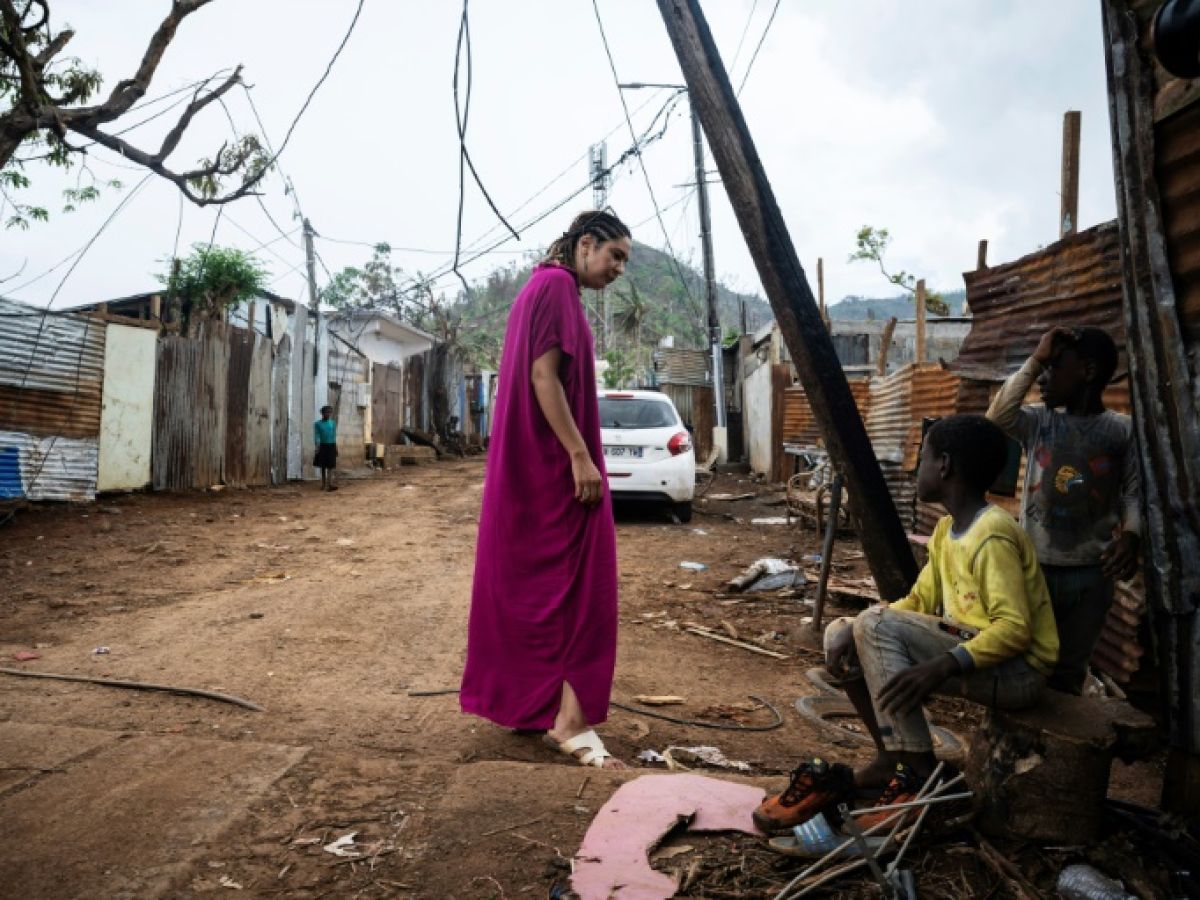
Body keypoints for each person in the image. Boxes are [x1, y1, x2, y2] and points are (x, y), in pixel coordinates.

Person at [754, 415, 1058, 833]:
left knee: (875, 624)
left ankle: (917, 776)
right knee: (847, 628)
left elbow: (1015, 629)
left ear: (945, 465)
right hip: (979, 656)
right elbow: (918, 602)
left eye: (924, 458)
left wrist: (942, 664)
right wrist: (857, 627)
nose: (917, 469)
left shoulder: (992, 535)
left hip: (1019, 671)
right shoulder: (948, 530)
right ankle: (889, 759)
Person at [460, 210, 632, 769]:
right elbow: (543, 377)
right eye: (615, 256)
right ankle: (568, 721)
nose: (619, 269)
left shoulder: (541, 285)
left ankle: (531, 706)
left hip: (530, 466)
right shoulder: (557, 287)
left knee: (531, 588)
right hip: (555, 469)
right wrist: (580, 456)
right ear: (586, 244)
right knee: (585, 590)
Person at [987, 326, 1141, 694]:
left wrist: (1134, 535)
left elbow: (1135, 491)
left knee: (1069, 671)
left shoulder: (1121, 431)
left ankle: (1053, 750)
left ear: (1087, 372)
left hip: (1091, 574)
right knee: (1018, 658)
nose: (1044, 378)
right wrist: (1036, 359)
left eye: (1055, 367)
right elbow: (997, 416)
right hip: (1033, 567)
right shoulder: (1040, 422)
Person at [313, 405, 338, 492]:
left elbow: (334, 435)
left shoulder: (333, 423)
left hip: (331, 445)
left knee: (330, 466)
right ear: (322, 414)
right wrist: (317, 446)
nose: (328, 414)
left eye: (329, 412)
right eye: (326, 412)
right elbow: (317, 435)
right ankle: (323, 484)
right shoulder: (317, 424)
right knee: (323, 466)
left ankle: (329, 483)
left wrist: (335, 446)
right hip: (322, 446)